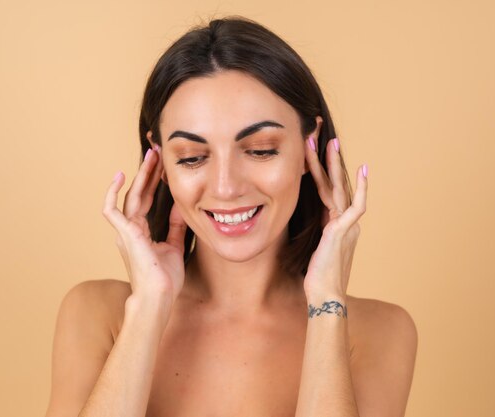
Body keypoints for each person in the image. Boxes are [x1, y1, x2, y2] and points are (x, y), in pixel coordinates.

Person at [45, 16, 418, 417]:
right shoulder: (96, 313)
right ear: (161, 162)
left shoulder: (379, 332)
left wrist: (328, 302)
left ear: (309, 145)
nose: (225, 187)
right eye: (192, 157)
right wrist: (150, 305)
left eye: (260, 149)